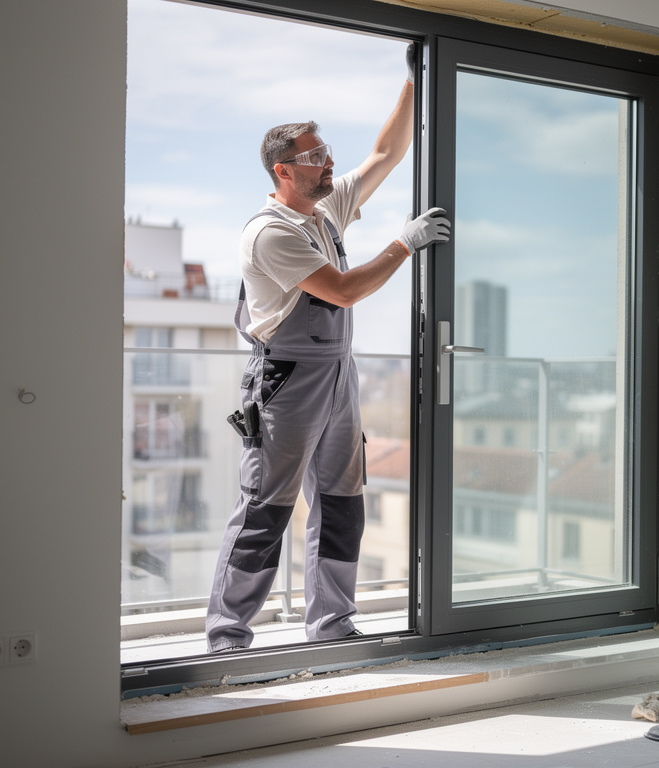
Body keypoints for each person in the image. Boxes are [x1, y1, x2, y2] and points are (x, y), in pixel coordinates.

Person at [206, 47, 449, 651]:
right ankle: (227, 634)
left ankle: (332, 625)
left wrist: (416, 76)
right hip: (287, 381)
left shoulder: (323, 212)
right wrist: (403, 245)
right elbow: (340, 292)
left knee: (342, 502)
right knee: (268, 506)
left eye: (325, 152)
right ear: (283, 170)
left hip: (339, 376)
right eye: (315, 157)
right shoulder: (272, 232)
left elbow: (388, 152)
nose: (328, 162)